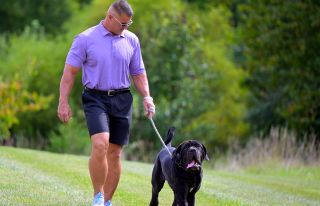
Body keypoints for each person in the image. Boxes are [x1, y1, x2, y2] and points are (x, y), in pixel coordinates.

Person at [57, 1, 155, 206]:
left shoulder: (131, 40)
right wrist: (63, 101)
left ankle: (107, 201)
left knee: (115, 153)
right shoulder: (85, 39)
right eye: (123, 24)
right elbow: (69, 73)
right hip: (95, 97)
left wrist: (147, 96)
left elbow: (138, 72)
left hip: (122, 98)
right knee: (100, 144)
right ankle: (98, 196)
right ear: (110, 17)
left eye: (129, 24)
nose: (126, 28)